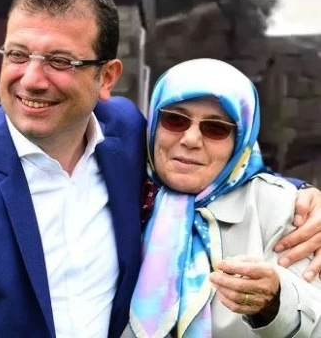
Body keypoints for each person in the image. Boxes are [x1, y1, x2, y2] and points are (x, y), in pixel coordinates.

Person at [0, 0, 321, 338]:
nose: (32, 79)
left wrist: (301, 199)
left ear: (107, 78)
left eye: (60, 61)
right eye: (17, 54)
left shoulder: (127, 135)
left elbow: (216, 167)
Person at [126, 59, 321, 337]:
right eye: (175, 120)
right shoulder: (121, 191)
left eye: (215, 128)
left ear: (241, 141)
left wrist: (276, 301)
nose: (190, 139)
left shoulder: (285, 209)